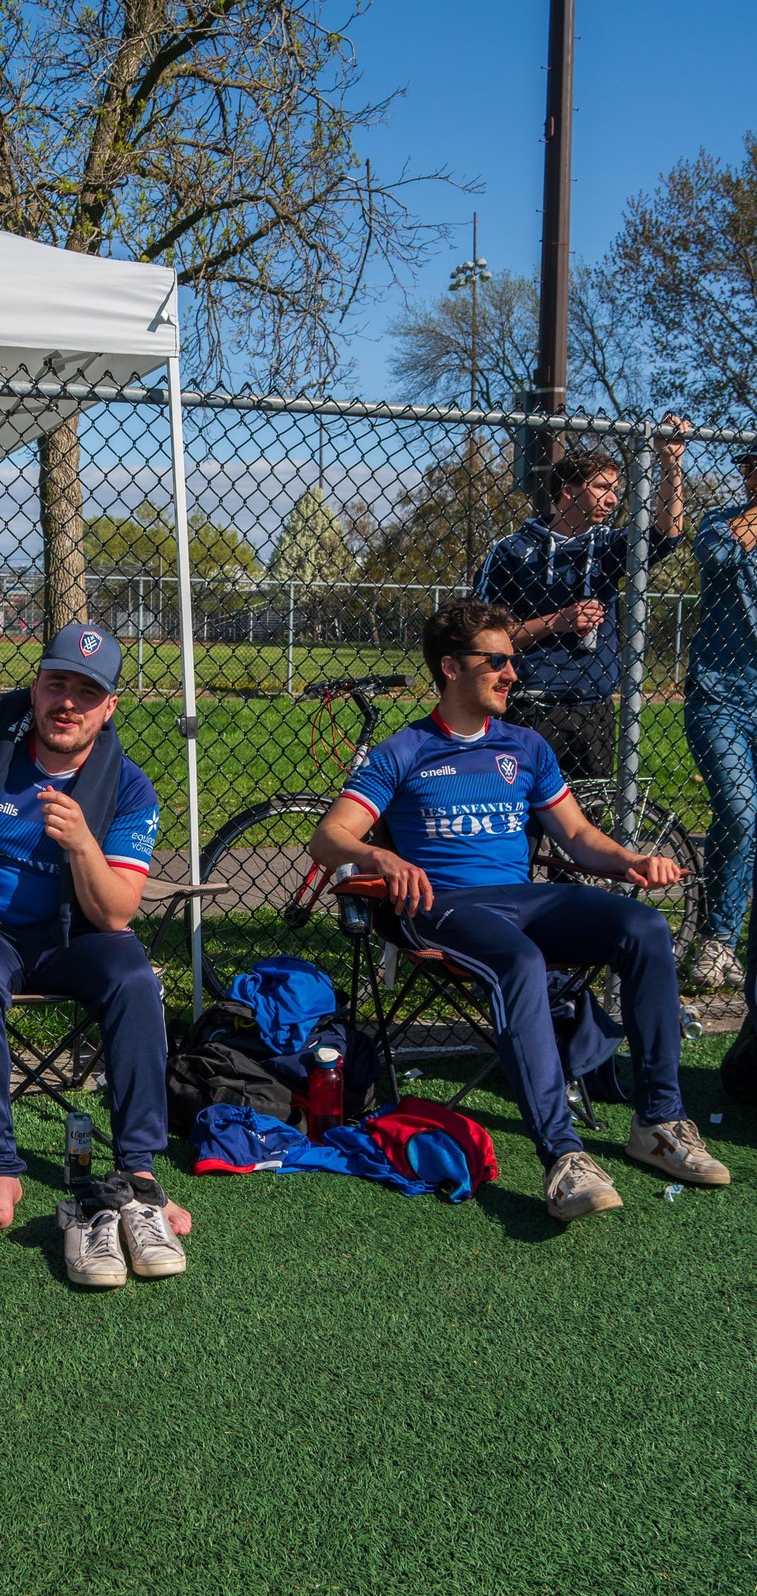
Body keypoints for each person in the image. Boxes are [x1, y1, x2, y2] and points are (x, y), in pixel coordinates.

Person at [308, 596, 728, 1223]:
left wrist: (631, 860)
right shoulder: (405, 750)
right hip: (444, 907)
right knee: (519, 960)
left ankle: (660, 1122)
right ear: (451, 668)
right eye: (497, 661)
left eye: (511, 661)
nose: (512, 674)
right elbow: (328, 837)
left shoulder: (525, 747)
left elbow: (579, 838)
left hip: (527, 897)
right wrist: (380, 859)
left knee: (641, 925)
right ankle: (564, 1155)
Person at [0, 623, 189, 1288]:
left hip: (73, 936)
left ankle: (138, 1173)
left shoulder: (128, 789)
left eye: (88, 691)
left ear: (109, 707)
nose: (68, 702)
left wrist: (81, 843)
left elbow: (114, 913)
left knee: (134, 976)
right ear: (36, 685)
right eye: (57, 683)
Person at [475, 428, 686, 781]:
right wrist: (557, 621)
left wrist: (671, 464)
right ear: (568, 490)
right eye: (602, 488)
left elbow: (668, 534)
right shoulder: (512, 551)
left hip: (594, 704)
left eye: (615, 490)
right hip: (531, 704)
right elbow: (484, 637)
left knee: (588, 818)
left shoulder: (610, 546)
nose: (612, 499)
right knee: (524, 819)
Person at [682, 443, 757, 990]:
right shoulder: (719, 522)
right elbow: (717, 558)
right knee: (740, 811)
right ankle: (717, 939)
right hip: (720, 696)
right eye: (752, 470)